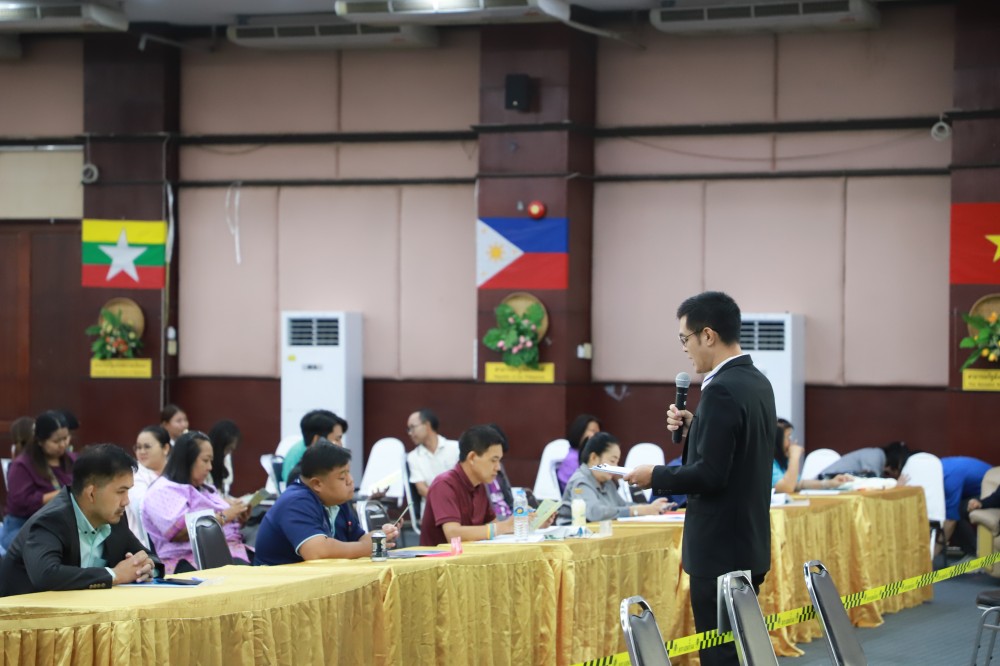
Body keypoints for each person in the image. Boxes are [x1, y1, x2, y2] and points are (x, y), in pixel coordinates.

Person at [625, 291, 776, 666]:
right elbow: (738, 453)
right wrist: (697, 427)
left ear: (707, 335)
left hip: (720, 551)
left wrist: (654, 475)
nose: (684, 349)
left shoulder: (721, 388)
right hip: (747, 542)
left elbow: (711, 475)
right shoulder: (757, 382)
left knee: (720, 655)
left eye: (685, 338)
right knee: (742, 651)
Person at [0, 444, 154, 597]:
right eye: (121, 492)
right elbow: (46, 574)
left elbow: (147, 556)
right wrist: (114, 575)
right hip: (24, 610)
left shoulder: (112, 516)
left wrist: (145, 567)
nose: (126, 501)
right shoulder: (51, 520)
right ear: (91, 493)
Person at [253, 441, 399, 565]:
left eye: (349, 472)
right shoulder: (295, 501)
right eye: (342, 477)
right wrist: (365, 547)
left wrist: (380, 536)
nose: (350, 481)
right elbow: (317, 552)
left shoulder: (336, 500)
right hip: (277, 584)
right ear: (317, 484)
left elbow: (358, 539)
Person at [142, 431, 250, 573]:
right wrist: (225, 516)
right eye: (205, 460)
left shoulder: (204, 488)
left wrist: (239, 518)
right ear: (187, 460)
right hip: (188, 561)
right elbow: (178, 533)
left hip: (229, 551)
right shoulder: (161, 491)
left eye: (211, 461)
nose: (210, 467)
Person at [419, 425, 514, 546]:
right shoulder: (444, 484)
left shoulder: (480, 485)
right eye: (493, 460)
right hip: (440, 557)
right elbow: (453, 534)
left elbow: (493, 525)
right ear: (472, 457)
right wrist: (502, 527)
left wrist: (519, 523)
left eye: (499, 461)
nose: (498, 467)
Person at [557, 433, 672, 524]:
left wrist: (651, 508)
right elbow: (595, 513)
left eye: (617, 462)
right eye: (612, 461)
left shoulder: (606, 482)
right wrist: (638, 511)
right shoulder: (580, 481)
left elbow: (622, 505)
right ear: (594, 458)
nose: (615, 467)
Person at [2, 411, 75, 551]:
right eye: (56, 441)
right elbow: (20, 503)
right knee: (43, 549)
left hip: (61, 524)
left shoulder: (71, 460)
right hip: (23, 526)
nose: (63, 445)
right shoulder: (22, 465)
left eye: (66, 438)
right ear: (40, 441)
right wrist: (63, 493)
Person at [771, 419, 853, 493]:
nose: (791, 442)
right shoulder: (769, 462)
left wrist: (829, 483)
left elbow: (799, 484)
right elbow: (786, 488)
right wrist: (794, 456)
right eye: (788, 437)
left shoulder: (782, 461)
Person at [125, 425, 171, 548]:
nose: (142, 452)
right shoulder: (135, 474)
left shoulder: (176, 472)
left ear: (165, 448)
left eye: (147, 447)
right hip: (143, 544)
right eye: (138, 447)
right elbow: (142, 508)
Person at [939, 456, 992, 555]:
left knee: (954, 512)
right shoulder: (941, 465)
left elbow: (951, 520)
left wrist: (935, 551)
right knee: (950, 508)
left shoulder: (950, 477)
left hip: (992, 492)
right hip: (979, 489)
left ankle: (973, 554)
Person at [406, 408, 459, 498]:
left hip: (458, 502)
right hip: (432, 504)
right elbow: (421, 489)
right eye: (408, 429)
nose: (410, 433)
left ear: (427, 425)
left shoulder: (456, 448)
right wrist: (443, 501)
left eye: (412, 427)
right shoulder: (413, 457)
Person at [281, 410, 342, 485]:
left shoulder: (330, 469)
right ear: (317, 440)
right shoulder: (301, 477)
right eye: (337, 439)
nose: (340, 445)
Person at [556, 414, 602, 493]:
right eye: (593, 431)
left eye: (598, 433)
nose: (597, 436)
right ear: (580, 432)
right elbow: (576, 490)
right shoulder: (572, 459)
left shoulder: (590, 457)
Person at [819, 441, 910, 480]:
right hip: (826, 481)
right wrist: (896, 486)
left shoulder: (877, 455)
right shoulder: (876, 455)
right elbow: (873, 484)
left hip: (833, 483)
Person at [208, 420, 241, 496]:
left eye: (232, 449)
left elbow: (224, 491)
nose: (229, 453)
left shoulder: (227, 458)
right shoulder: (206, 461)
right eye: (228, 449)